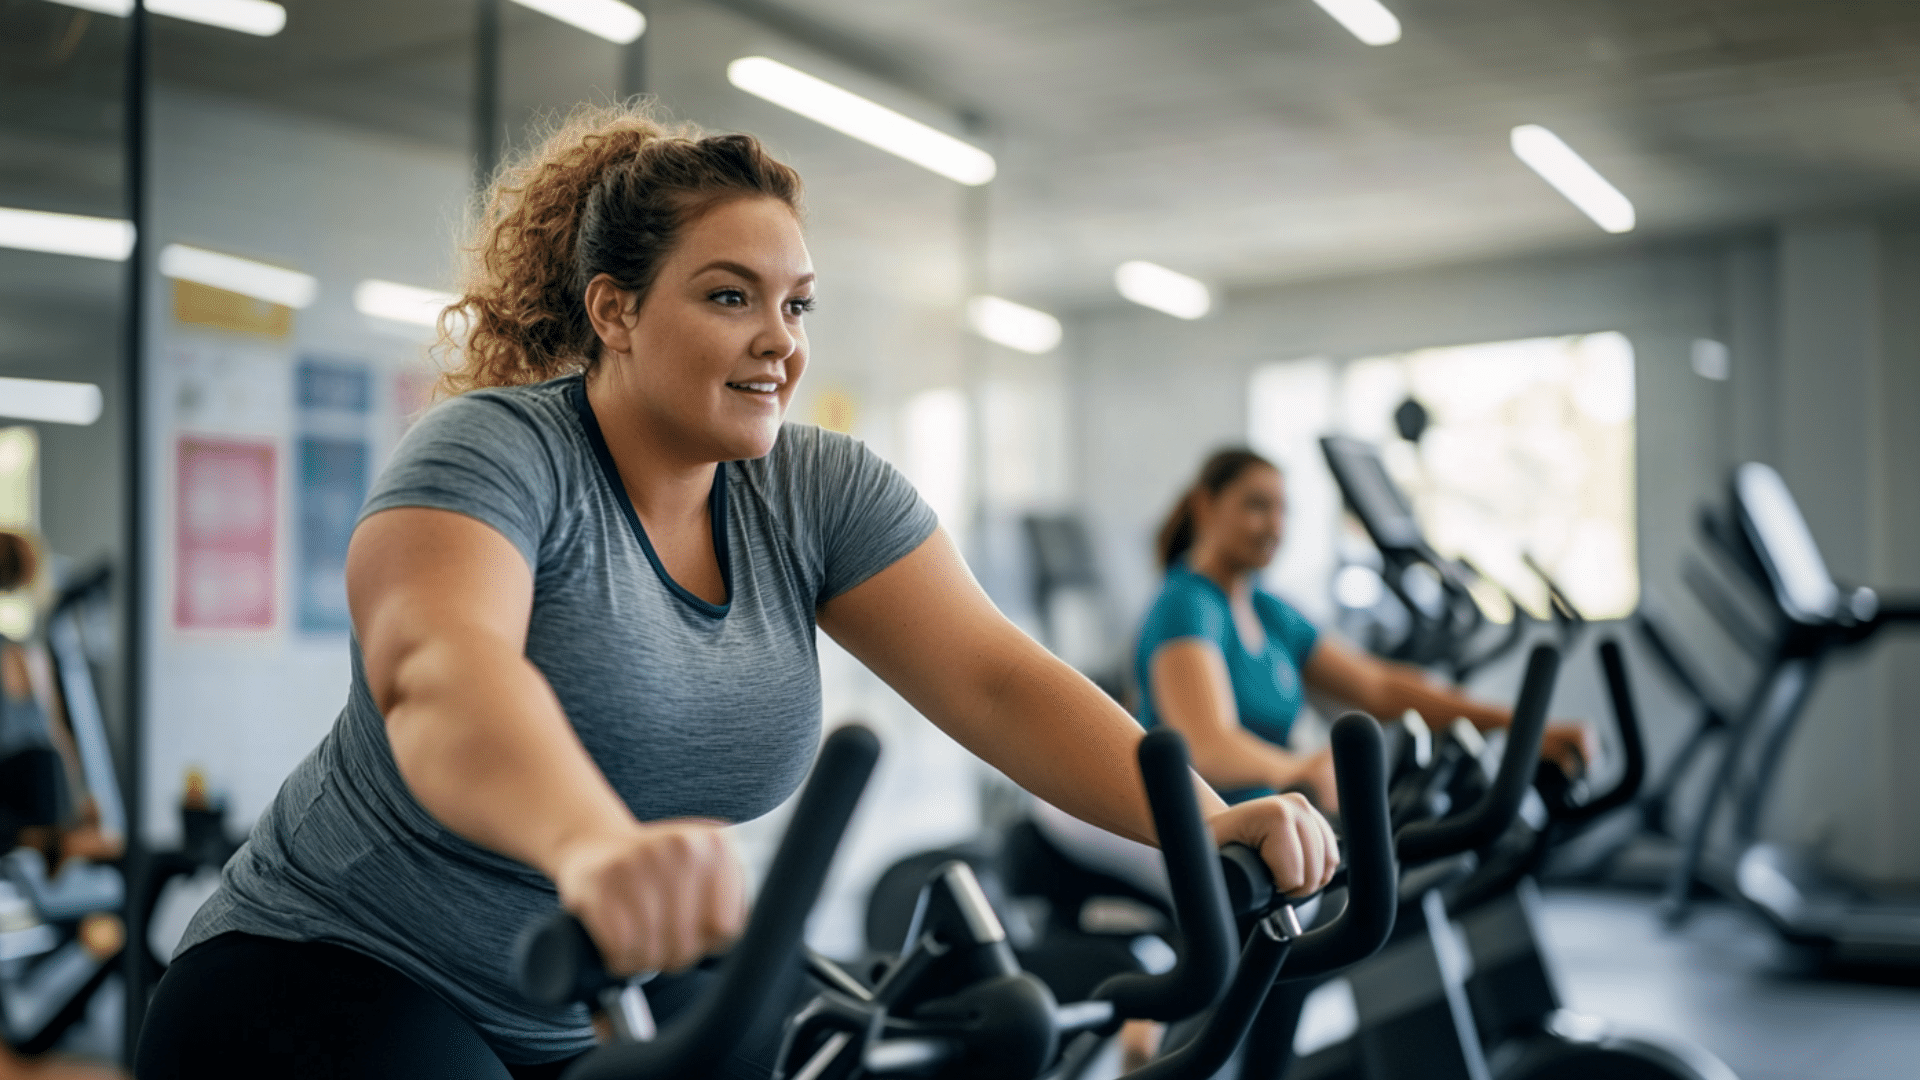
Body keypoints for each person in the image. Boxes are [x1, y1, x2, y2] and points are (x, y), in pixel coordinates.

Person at [133, 105, 1340, 1080]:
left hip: (577, 1005)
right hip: (324, 975)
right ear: (615, 311)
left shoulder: (813, 492)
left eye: (796, 303)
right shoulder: (493, 455)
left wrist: (1203, 819)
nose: (781, 340)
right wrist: (593, 845)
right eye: (730, 296)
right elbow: (441, 673)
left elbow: (996, 677)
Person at [1140, 448, 1591, 811]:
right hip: (1200, 829)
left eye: (1284, 511)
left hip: (1274, 818)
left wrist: (1523, 729)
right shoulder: (1188, 604)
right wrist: (1301, 769)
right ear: (1204, 504)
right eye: (1257, 506)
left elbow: (1379, 686)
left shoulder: (1265, 607)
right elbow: (1207, 747)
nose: (1276, 526)